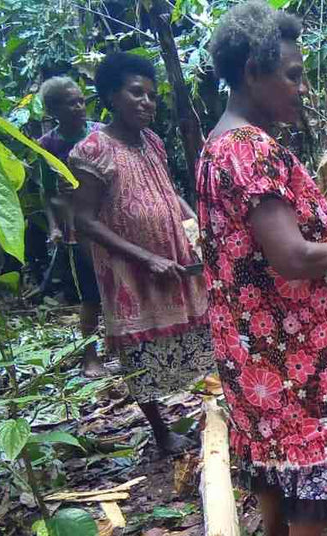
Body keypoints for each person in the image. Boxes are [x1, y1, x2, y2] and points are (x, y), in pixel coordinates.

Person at [198, 1, 327, 536]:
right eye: (293, 75)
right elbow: (291, 257)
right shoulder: (249, 151)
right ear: (253, 72)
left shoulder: (218, 144)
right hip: (284, 336)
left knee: (269, 441)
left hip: (250, 334)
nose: (302, 88)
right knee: (312, 443)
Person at [69, 51, 213, 456]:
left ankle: (213, 412)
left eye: (151, 95)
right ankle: (162, 433)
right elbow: (85, 220)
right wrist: (144, 257)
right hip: (129, 268)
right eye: (136, 93)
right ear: (112, 96)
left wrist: (197, 228)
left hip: (175, 256)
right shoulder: (93, 149)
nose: (146, 102)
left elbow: (169, 194)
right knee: (140, 353)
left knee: (201, 334)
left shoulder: (153, 141)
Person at [37, 76, 105, 376]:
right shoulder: (48, 145)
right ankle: (90, 356)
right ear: (53, 109)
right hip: (76, 231)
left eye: (81, 100)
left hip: (110, 222)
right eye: (70, 102)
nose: (79, 106)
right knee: (90, 295)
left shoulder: (100, 133)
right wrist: (53, 228)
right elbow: (48, 193)